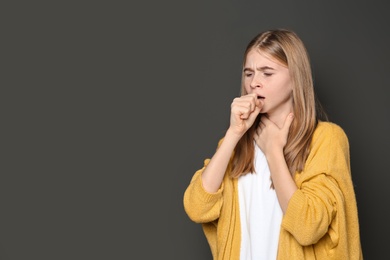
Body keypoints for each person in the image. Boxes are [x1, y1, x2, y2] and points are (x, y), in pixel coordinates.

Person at [183, 29, 363, 259]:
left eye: (267, 73)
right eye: (248, 73)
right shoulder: (235, 144)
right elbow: (197, 208)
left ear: (296, 78)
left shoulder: (326, 139)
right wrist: (233, 134)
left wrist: (273, 152)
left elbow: (308, 227)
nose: (254, 83)